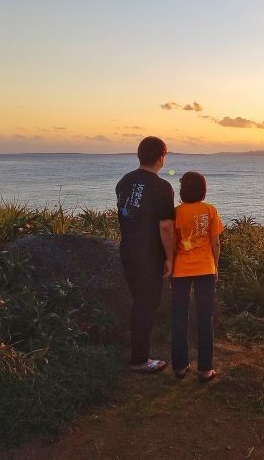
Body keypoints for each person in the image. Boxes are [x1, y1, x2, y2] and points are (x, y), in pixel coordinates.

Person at [115, 136, 176, 374]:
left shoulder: (124, 182)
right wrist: (169, 258)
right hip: (149, 255)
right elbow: (166, 227)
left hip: (128, 250)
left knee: (140, 303)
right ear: (161, 156)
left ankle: (138, 352)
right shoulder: (162, 187)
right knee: (146, 305)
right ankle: (139, 359)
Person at [166, 171, 224, 382]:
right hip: (205, 269)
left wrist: (170, 265)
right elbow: (216, 243)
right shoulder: (210, 210)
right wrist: (215, 266)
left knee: (179, 317)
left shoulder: (176, 212)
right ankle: (205, 369)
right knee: (205, 317)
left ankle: (180, 367)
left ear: (183, 190)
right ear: (203, 189)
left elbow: (172, 243)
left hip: (181, 269)